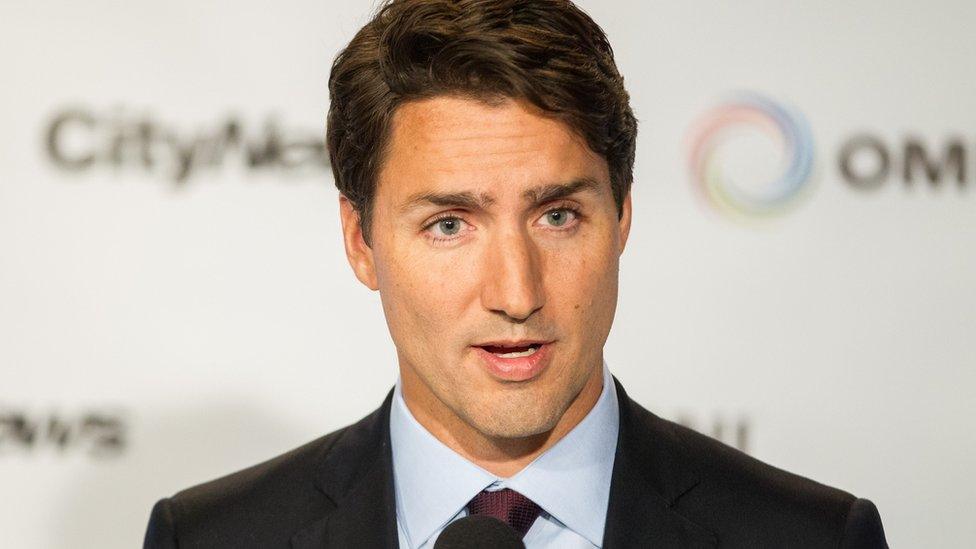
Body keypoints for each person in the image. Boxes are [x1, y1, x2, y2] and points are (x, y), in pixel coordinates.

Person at [143, 0, 888, 547]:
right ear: (361, 241)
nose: (516, 293)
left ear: (622, 215)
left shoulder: (813, 538)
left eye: (557, 216)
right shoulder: (211, 538)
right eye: (449, 224)